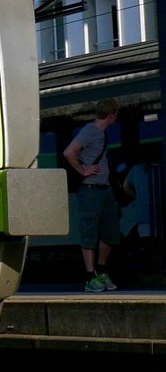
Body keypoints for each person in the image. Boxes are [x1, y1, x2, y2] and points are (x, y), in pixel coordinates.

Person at [63, 98, 121, 292]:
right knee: (89, 231)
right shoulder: (90, 131)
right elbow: (69, 152)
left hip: (104, 188)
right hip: (90, 189)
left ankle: (101, 270)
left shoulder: (101, 133)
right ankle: (90, 277)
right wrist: (83, 170)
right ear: (111, 115)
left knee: (110, 232)